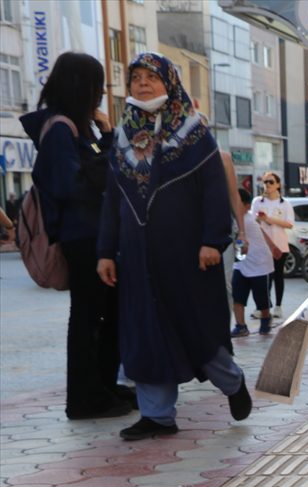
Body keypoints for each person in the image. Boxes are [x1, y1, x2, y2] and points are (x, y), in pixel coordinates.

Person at [96, 52, 251, 441]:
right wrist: (105, 251)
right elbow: (113, 200)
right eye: (136, 78)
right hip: (137, 259)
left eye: (152, 77)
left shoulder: (195, 134)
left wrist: (213, 242)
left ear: (170, 83)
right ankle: (158, 415)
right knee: (145, 331)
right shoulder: (123, 138)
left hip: (188, 257)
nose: (143, 84)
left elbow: (215, 192)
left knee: (196, 331)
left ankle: (232, 383)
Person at [23, 52, 133, 421]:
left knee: (108, 313)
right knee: (88, 317)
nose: (101, 93)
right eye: (97, 85)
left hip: (95, 233)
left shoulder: (74, 126)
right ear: (81, 86)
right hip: (82, 236)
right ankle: (85, 399)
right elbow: (72, 183)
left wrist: (104, 135)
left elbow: (98, 164)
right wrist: (106, 141)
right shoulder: (59, 128)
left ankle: (103, 386)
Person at [230, 188, 274, 337]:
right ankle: (241, 326)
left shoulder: (246, 220)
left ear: (247, 206)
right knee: (237, 296)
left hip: (259, 264)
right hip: (241, 263)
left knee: (261, 298)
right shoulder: (236, 219)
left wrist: (273, 247)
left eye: (237, 202)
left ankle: (266, 318)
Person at [253, 170, 293, 319]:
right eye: (265, 182)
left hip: (280, 245)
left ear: (277, 185)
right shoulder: (257, 202)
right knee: (263, 276)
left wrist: (269, 219)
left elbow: (289, 224)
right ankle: (263, 306)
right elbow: (253, 221)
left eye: (271, 182)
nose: (267, 185)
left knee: (277, 275)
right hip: (262, 245)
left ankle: (278, 306)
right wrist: (259, 219)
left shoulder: (285, 204)